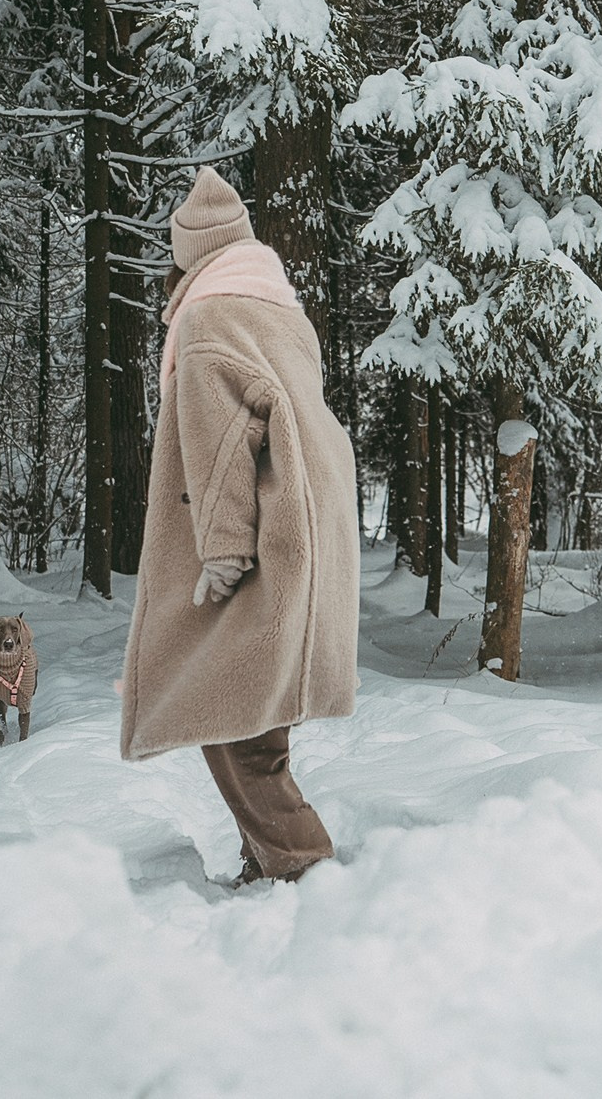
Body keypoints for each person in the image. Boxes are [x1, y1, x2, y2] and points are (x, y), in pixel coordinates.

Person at [118, 166, 360, 885]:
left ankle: (303, 867)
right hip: (306, 527)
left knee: (232, 719)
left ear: (188, 254)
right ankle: (272, 861)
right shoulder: (280, 310)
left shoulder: (207, 318)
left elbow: (222, 445)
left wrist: (222, 549)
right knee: (250, 708)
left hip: (257, 536)